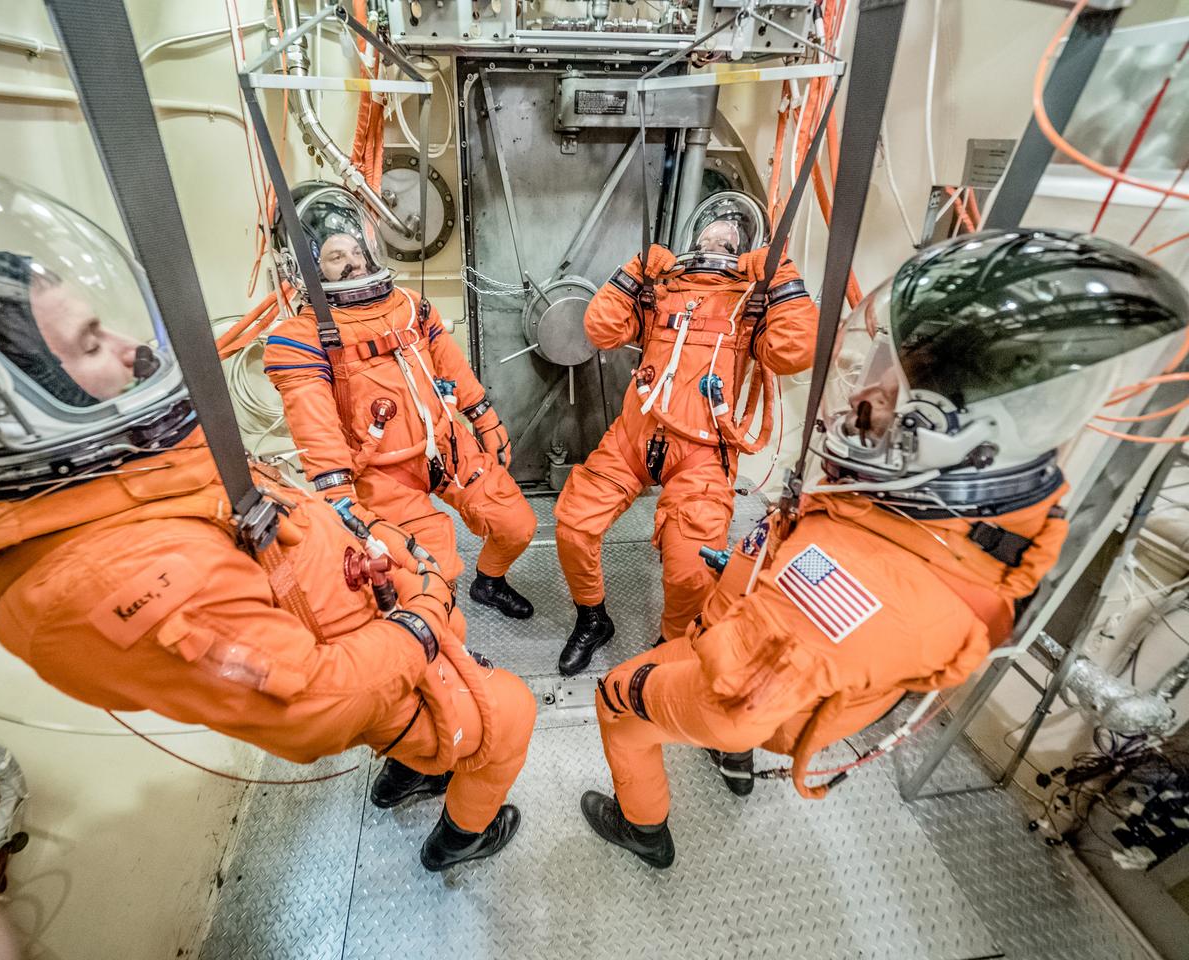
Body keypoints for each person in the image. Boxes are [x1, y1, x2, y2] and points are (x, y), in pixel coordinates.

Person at [0, 142, 536, 871]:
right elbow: (315, 697)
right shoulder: (99, 581)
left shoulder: (126, 469)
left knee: (505, 537)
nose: (133, 353)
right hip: (368, 598)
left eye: (356, 251)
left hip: (370, 561)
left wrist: (465, 443)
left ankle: (417, 764)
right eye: (89, 342)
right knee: (509, 713)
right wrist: (415, 598)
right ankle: (457, 840)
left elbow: (266, 499)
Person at [578, 229, 1189, 869]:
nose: (862, 402)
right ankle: (720, 748)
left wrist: (689, 663)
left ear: (937, 430)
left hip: (749, 679)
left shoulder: (845, 592)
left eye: (883, 384)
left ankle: (642, 827)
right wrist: (742, 576)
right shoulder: (970, 510)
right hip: (765, 611)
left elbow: (739, 691)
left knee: (616, 700)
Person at [553, 192, 819, 676]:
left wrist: (780, 276)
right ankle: (593, 619)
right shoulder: (660, 290)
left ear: (745, 249)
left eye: (730, 238)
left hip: (701, 452)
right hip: (634, 437)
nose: (718, 240)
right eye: (710, 234)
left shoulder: (751, 304)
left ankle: (670, 645)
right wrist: (635, 270)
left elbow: (794, 353)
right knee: (574, 525)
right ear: (693, 239)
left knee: (690, 570)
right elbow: (600, 329)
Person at [262, 183, 536, 621]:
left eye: (356, 250)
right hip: (381, 475)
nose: (352, 263)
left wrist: (483, 418)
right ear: (305, 268)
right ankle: (441, 653)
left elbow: (452, 369)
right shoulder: (301, 339)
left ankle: (490, 581)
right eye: (336, 257)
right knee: (433, 577)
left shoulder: (408, 306)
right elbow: (315, 427)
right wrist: (340, 500)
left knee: (517, 525)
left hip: (445, 448)